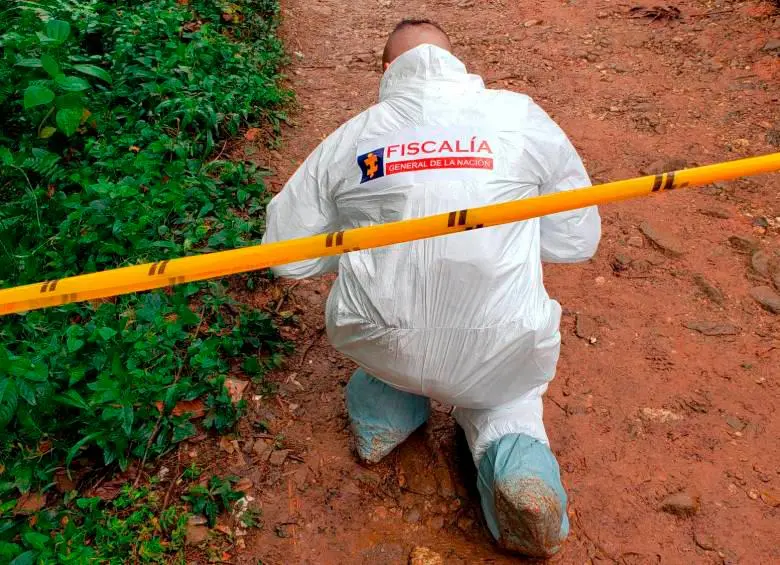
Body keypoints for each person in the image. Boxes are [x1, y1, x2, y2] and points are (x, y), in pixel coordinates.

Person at [262, 19, 601, 558]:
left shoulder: (354, 135)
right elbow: (576, 240)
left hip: (381, 335)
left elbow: (287, 256)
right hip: (500, 340)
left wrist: (361, 245)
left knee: (387, 359)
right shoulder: (521, 116)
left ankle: (384, 417)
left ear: (386, 71)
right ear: (455, 62)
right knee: (507, 397)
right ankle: (514, 457)